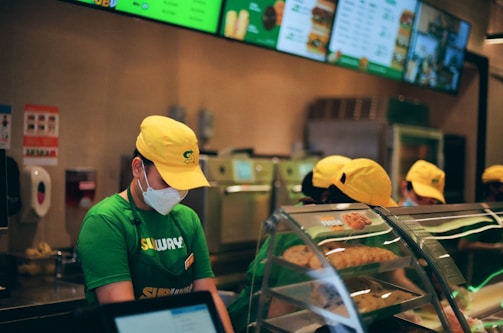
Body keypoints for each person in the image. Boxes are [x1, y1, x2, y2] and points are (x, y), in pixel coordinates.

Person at [77, 115, 234, 333]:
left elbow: (208, 296)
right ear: (138, 167)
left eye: (183, 183)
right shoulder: (106, 221)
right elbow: (127, 317)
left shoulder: (188, 219)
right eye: (168, 181)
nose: (176, 192)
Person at [227, 155, 352, 333]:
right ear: (329, 197)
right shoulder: (305, 233)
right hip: (255, 324)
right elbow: (279, 314)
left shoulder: (316, 222)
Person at [457, 164, 503, 286]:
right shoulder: (479, 213)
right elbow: (464, 245)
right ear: (492, 187)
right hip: (482, 280)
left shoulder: (499, 210)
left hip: (499, 278)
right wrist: (497, 247)